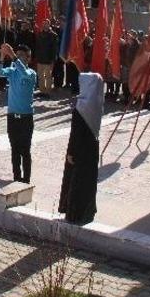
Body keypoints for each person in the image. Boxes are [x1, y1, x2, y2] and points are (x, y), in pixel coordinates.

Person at [59, 72, 105, 224]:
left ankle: (74, 213)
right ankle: (87, 212)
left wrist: (71, 152)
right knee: (88, 182)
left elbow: (76, 133)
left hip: (79, 149)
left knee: (76, 181)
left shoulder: (81, 107)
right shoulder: (97, 103)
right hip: (92, 148)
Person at [0, 43, 38, 183]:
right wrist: (2, 56)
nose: (18, 58)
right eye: (17, 54)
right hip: (12, 117)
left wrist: (13, 56)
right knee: (14, 149)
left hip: (26, 118)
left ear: (28, 58)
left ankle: (26, 180)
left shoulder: (31, 74)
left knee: (25, 150)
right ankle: (16, 177)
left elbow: (24, 72)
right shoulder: (12, 71)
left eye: (22, 55)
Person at [34, 20, 58, 99]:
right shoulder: (39, 34)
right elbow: (37, 46)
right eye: (43, 24)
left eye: (46, 24)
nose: (44, 25)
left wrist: (53, 59)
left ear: (49, 25)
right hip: (40, 58)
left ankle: (48, 92)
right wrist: (36, 56)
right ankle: (42, 91)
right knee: (40, 76)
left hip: (48, 59)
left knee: (48, 76)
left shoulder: (53, 35)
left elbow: (55, 49)